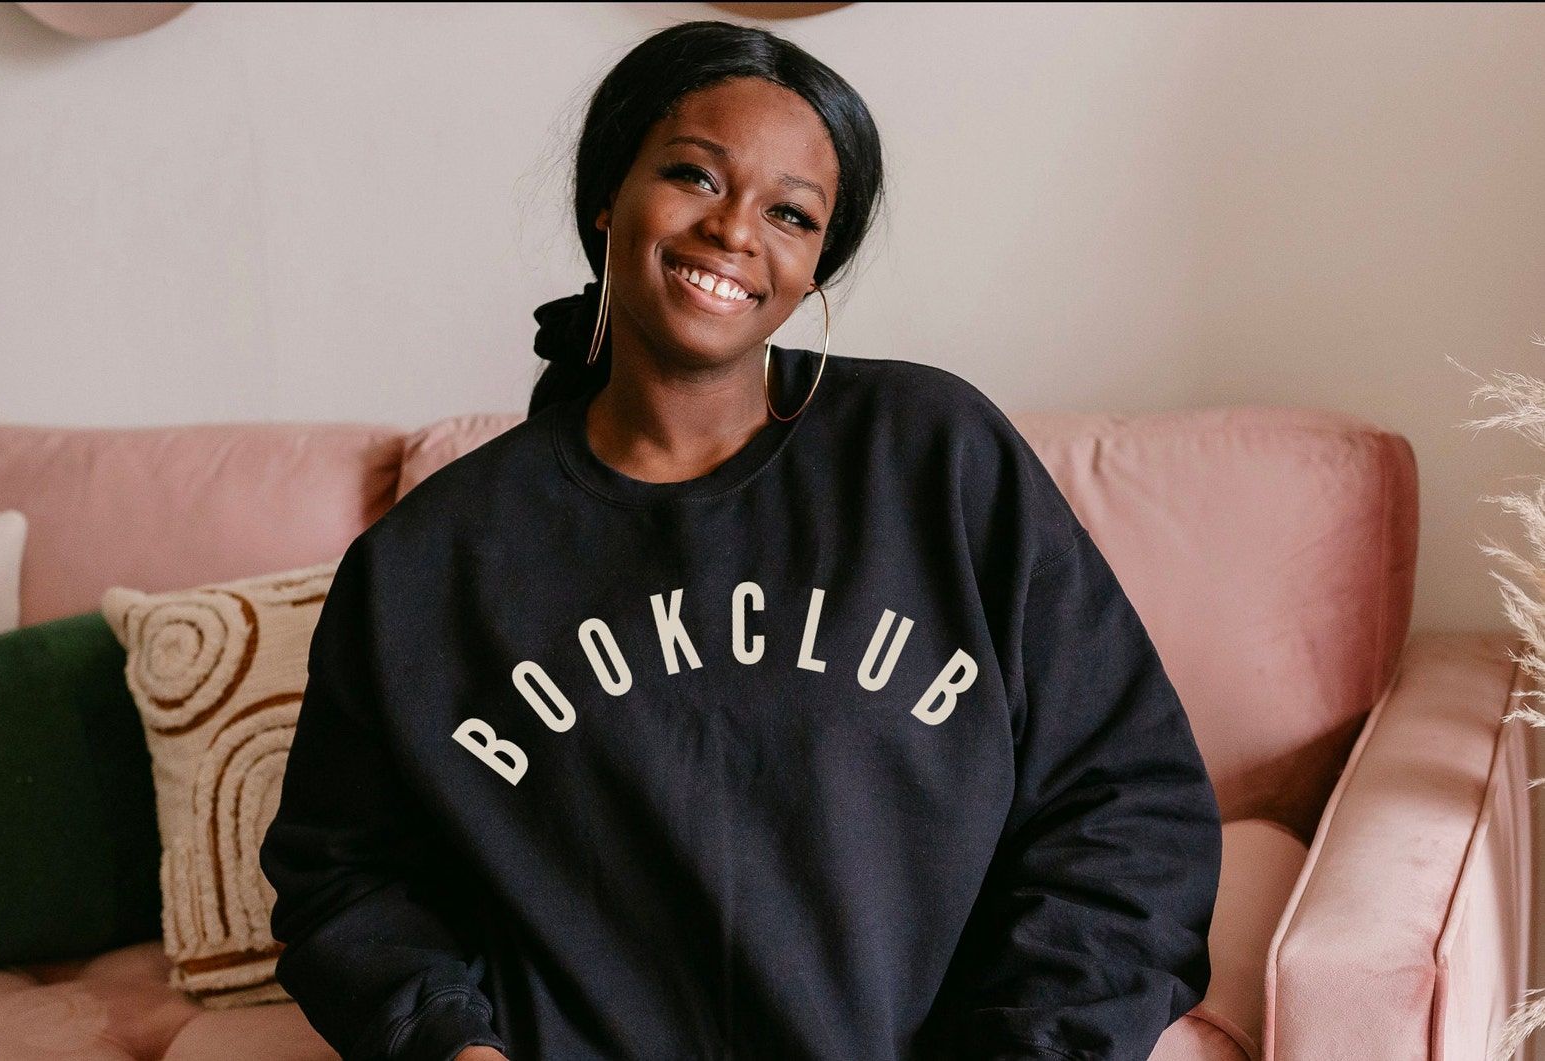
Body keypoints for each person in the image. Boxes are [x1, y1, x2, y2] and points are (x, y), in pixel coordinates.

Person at [258, 19, 1222, 1061]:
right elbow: (341, 873)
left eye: (792, 213)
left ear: (813, 271)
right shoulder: (432, 562)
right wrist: (451, 1047)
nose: (733, 231)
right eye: (692, 174)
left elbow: (1128, 806)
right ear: (605, 196)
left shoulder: (933, 460)